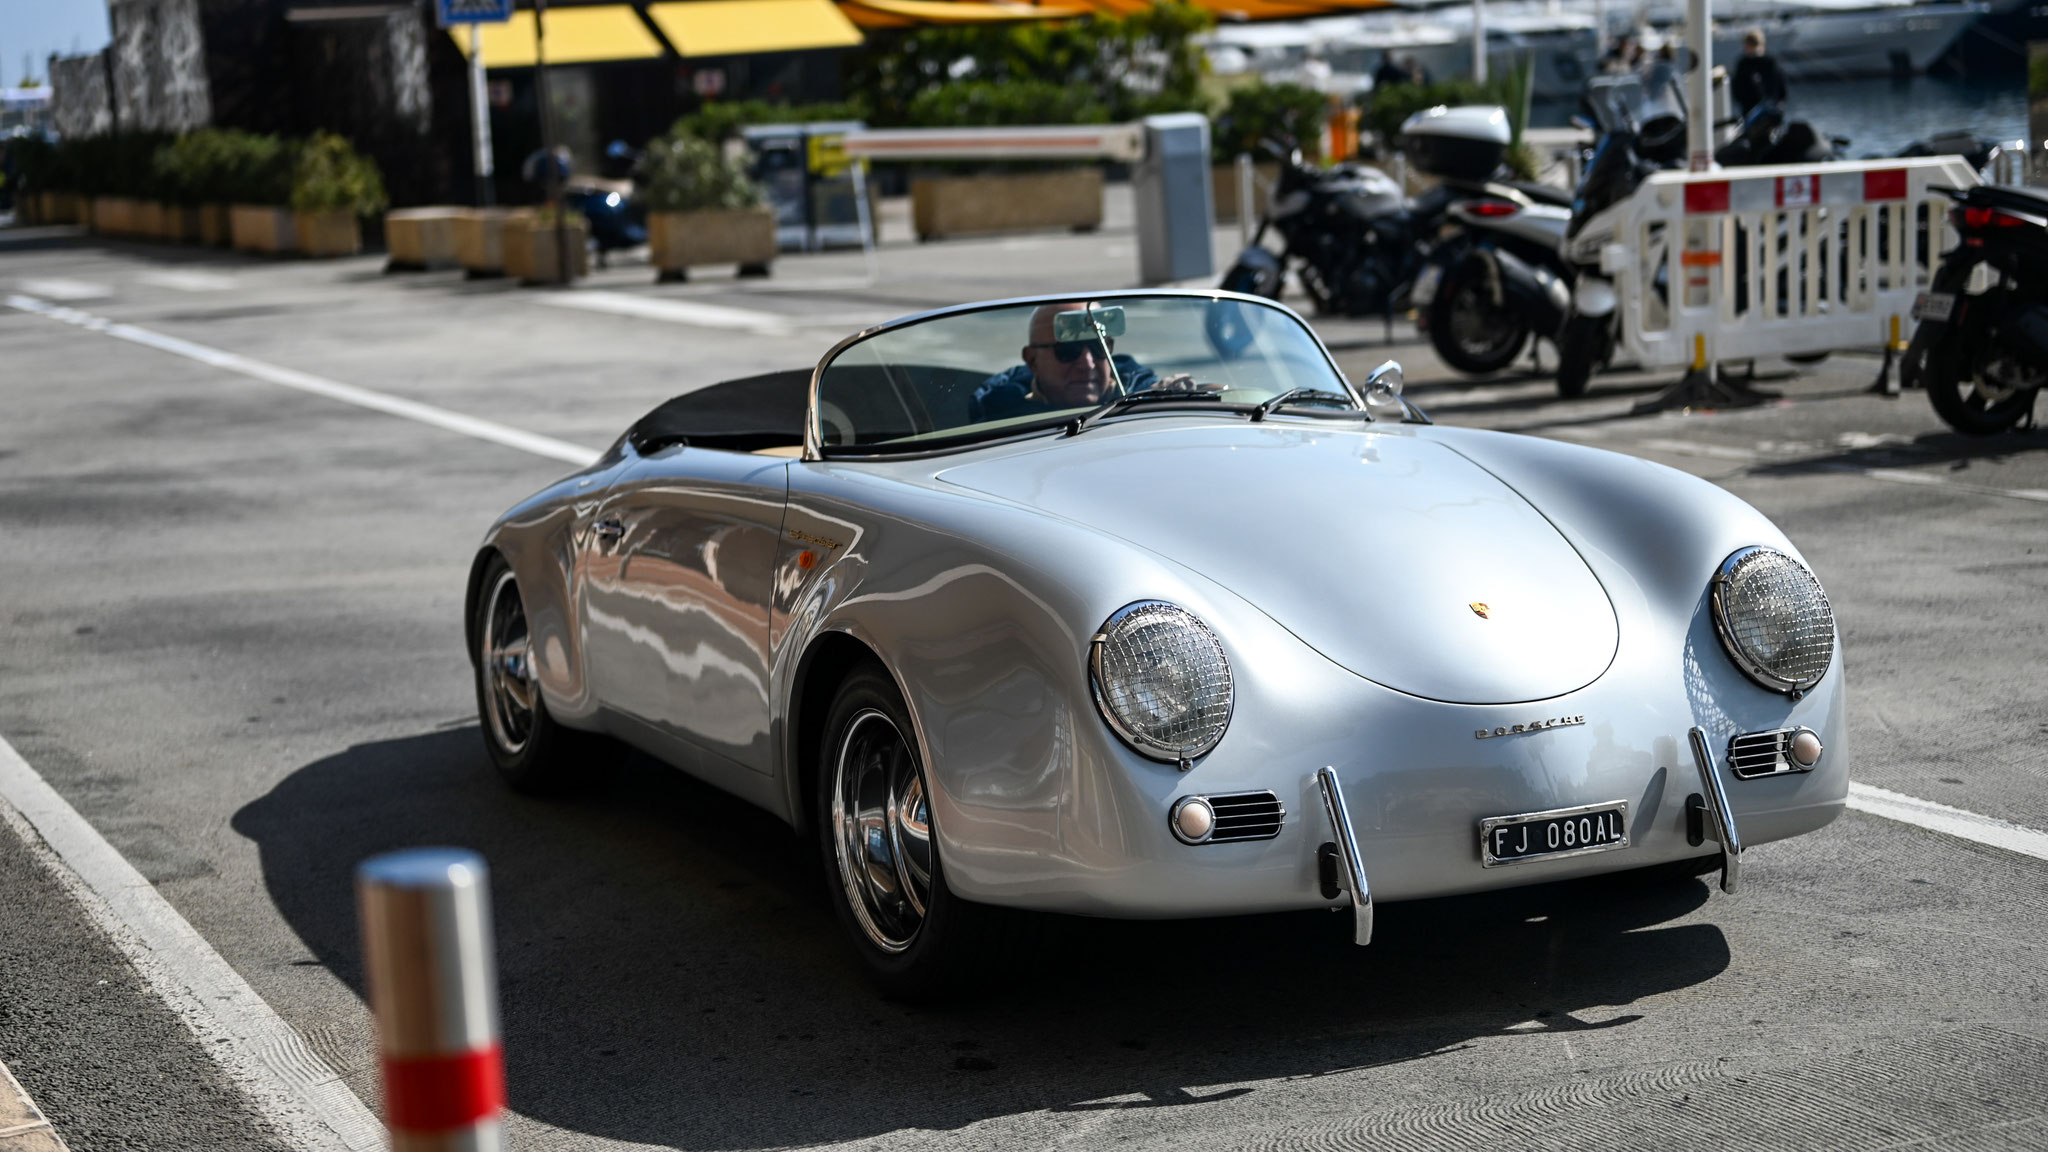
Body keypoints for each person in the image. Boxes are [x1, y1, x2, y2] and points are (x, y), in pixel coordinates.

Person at [968, 302, 1163, 423]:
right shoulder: (1001, 422)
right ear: (1032, 360)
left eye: (1099, 347)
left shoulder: (1149, 398)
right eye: (1068, 350)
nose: (1087, 364)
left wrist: (1167, 393)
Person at [1732, 28, 1788, 116]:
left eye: (1754, 44)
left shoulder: (1770, 62)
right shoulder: (1743, 64)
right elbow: (1737, 89)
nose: (1753, 48)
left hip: (1770, 108)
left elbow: (1780, 86)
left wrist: (1778, 103)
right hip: (1749, 109)